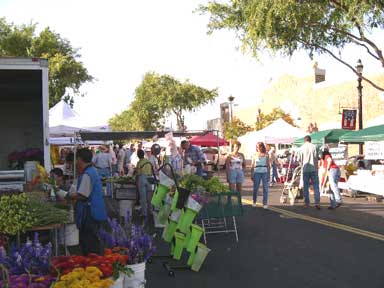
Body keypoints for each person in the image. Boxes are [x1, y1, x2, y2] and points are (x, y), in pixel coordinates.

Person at [70, 148, 107, 256]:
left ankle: (93, 265)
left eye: (77, 159)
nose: (76, 162)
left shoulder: (87, 174)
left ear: (80, 159)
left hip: (90, 212)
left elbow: (83, 195)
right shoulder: (93, 171)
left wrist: (69, 196)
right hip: (95, 209)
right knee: (93, 240)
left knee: (89, 242)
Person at [298, 135, 321, 209]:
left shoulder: (301, 148)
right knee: (316, 186)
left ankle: (306, 202)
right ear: (310, 140)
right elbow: (318, 157)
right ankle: (317, 202)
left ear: (304, 140)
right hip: (314, 169)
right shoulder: (315, 147)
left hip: (305, 169)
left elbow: (299, 160)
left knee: (306, 186)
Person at [251, 142, 270, 209]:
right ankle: (254, 201)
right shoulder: (254, 155)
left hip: (264, 172)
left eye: (259, 146)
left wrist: (269, 175)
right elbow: (252, 165)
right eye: (257, 147)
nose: (258, 148)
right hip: (257, 172)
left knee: (265, 188)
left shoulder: (266, 154)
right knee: (256, 188)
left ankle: (265, 203)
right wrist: (251, 174)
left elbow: (268, 165)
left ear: (262, 147)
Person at [136, 149, 153, 219]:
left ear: (138, 156)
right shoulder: (148, 161)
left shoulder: (139, 163)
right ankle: (150, 211)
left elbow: (139, 173)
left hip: (142, 178)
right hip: (149, 179)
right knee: (149, 198)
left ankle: (144, 213)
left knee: (143, 198)